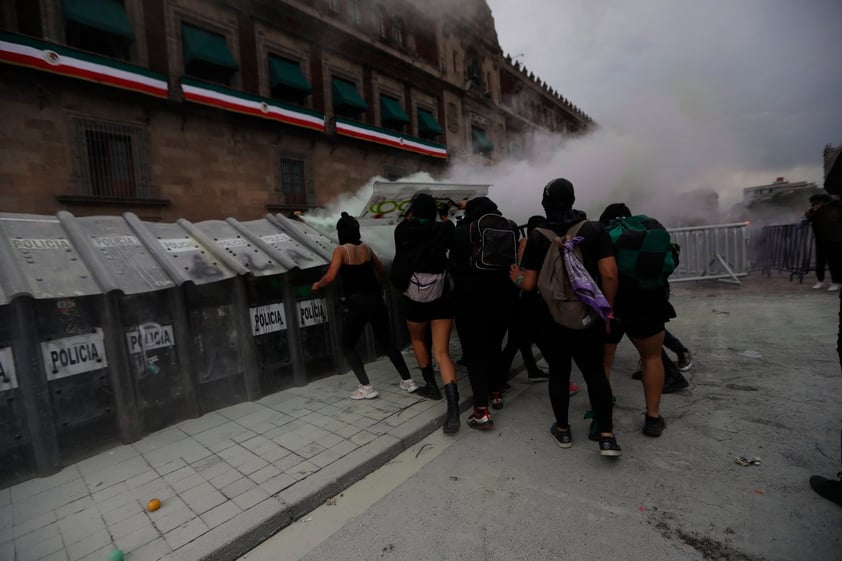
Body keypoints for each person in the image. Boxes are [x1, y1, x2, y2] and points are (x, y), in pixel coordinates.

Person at [511, 178, 621, 456]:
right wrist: (606, 309)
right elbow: (609, 274)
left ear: (545, 204)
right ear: (573, 199)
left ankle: (562, 430)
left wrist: (516, 277)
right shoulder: (594, 230)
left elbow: (529, 285)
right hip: (589, 315)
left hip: (552, 316)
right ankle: (606, 436)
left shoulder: (537, 236)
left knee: (559, 373)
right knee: (595, 372)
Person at [312, 212, 417, 400]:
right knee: (387, 342)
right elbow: (380, 269)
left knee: (348, 344)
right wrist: (376, 285)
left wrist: (318, 285)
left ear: (341, 232)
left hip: (358, 303)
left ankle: (366, 387)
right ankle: (408, 381)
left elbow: (331, 275)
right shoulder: (366, 249)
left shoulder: (341, 250)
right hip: (375, 300)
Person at [598, 202, 675, 437]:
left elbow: (603, 272)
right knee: (652, 357)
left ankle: (603, 406)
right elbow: (669, 265)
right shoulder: (651, 229)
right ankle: (653, 417)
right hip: (649, 302)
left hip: (612, 304)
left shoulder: (603, 234)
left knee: (604, 361)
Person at [393, 193, 461, 434]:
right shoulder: (444, 230)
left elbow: (406, 227)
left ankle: (430, 386)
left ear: (413, 211)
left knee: (418, 338)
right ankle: (453, 410)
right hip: (441, 295)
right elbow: (453, 240)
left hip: (414, 298)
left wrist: (410, 214)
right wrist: (443, 217)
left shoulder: (402, 230)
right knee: (442, 352)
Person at [450, 196, 519, 430]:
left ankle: (481, 410)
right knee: (494, 346)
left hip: (471, 299)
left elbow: (453, 257)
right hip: (503, 297)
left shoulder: (463, 230)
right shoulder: (510, 226)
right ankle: (496, 392)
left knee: (475, 353)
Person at [805, 193, 842, 291]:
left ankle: (837, 282)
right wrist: (810, 212)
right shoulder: (816, 212)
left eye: (816, 203)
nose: (814, 205)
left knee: (834, 262)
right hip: (821, 240)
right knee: (820, 261)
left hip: (835, 239)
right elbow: (808, 217)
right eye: (813, 204)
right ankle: (820, 281)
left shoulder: (835, 208)